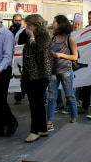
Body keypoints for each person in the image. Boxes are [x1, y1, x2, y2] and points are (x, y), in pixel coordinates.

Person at [21, 14, 53, 143]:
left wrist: (32, 37)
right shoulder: (31, 37)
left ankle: (34, 131)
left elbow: (38, 49)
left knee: (36, 102)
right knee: (36, 102)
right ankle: (42, 128)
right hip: (30, 74)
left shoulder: (44, 36)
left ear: (36, 25)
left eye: (29, 25)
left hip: (40, 74)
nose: (27, 27)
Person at [46, 15, 79, 133]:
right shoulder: (53, 37)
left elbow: (75, 56)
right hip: (53, 71)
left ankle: (74, 118)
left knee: (69, 95)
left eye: (55, 22)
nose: (53, 24)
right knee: (51, 97)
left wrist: (61, 55)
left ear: (60, 24)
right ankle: (49, 122)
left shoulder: (69, 38)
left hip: (65, 71)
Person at [78, 10, 91, 112]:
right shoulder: (86, 29)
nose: (90, 20)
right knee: (86, 83)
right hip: (87, 60)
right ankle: (85, 105)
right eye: (89, 18)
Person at [9, 14, 27, 106]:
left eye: (19, 20)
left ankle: (21, 94)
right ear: (13, 20)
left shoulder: (24, 31)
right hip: (12, 57)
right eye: (16, 20)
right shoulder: (9, 30)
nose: (18, 22)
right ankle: (17, 96)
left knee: (20, 76)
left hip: (20, 57)